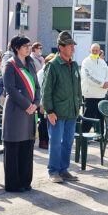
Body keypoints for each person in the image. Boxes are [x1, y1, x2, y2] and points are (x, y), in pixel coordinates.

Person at [42, 31, 82, 183]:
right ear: (61, 47)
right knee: (56, 143)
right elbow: (46, 91)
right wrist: (50, 111)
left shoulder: (74, 65)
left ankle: (64, 170)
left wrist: (77, 105)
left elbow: (78, 88)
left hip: (71, 112)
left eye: (73, 46)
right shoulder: (53, 66)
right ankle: (54, 171)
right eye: (70, 46)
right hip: (57, 113)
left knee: (67, 143)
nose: (73, 48)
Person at [2, 35, 40, 192]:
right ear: (16, 48)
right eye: (25, 46)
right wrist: (27, 105)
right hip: (16, 111)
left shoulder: (30, 63)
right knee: (14, 147)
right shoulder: (10, 65)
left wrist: (36, 104)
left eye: (29, 45)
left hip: (30, 111)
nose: (28, 48)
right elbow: (10, 89)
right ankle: (13, 183)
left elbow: (37, 87)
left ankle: (25, 181)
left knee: (26, 147)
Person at [81, 43, 108, 135]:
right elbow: (88, 77)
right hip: (90, 94)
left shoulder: (103, 62)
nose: (95, 52)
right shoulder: (86, 62)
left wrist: (107, 83)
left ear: (99, 51)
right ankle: (83, 134)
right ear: (90, 51)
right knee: (88, 116)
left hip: (101, 94)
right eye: (93, 50)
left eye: (96, 50)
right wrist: (102, 83)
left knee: (100, 117)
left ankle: (100, 135)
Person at [37, 53, 55, 149]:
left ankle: (49, 140)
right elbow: (40, 90)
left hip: (52, 103)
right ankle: (43, 141)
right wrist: (41, 104)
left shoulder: (53, 72)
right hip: (43, 103)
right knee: (43, 122)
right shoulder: (41, 73)